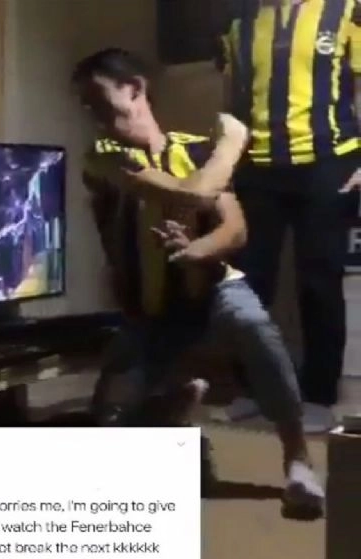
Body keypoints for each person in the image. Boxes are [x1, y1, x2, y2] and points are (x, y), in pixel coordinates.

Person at [72, 47, 324, 514]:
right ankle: (179, 428)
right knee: (107, 428)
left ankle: (298, 462)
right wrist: (232, 143)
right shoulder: (103, 156)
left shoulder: (196, 151)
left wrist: (198, 250)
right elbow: (193, 196)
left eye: (97, 97)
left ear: (135, 89)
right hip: (148, 308)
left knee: (255, 328)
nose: (92, 111)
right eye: (85, 103)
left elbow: (235, 227)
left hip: (216, 287)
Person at [217, 0, 361, 432]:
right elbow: (232, 99)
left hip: (329, 162)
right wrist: (225, 162)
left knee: (319, 281)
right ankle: (252, 388)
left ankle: (319, 394)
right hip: (257, 167)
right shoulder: (239, 22)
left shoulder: (346, 10)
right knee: (246, 283)